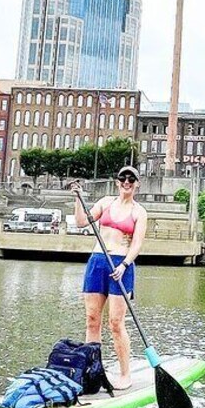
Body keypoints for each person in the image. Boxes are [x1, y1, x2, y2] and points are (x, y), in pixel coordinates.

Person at [71, 166, 148, 390]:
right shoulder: (105, 203)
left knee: (115, 323)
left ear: (137, 183)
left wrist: (124, 265)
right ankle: (93, 370)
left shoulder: (139, 212)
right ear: (117, 182)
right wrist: (78, 198)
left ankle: (125, 374)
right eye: (123, 178)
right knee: (92, 320)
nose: (126, 182)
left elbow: (137, 244)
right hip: (98, 261)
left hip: (121, 266)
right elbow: (81, 222)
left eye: (131, 179)